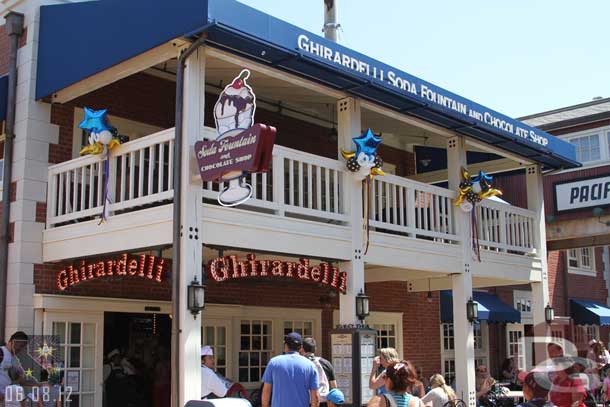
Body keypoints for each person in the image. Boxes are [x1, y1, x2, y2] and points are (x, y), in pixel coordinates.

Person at [262, 332, 319, 407]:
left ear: (285, 345)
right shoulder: (310, 365)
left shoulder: (274, 363)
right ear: (301, 347)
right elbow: (315, 396)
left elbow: (266, 391)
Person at [301, 337, 336, 406]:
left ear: (302, 349)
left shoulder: (300, 364)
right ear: (315, 349)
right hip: (324, 401)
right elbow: (334, 386)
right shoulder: (326, 363)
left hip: (306, 402)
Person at [0, 332, 29, 402]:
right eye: (21, 346)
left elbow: (22, 379)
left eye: (23, 347)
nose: (21, 349)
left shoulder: (15, 359)